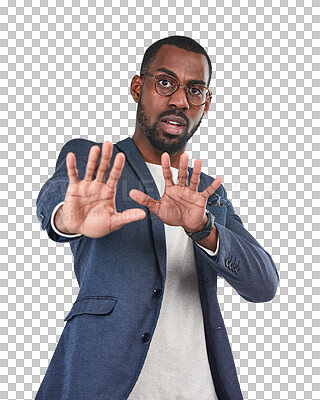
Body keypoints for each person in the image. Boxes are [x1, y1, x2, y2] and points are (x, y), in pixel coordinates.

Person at [35, 35, 279, 400]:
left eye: (195, 90)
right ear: (138, 87)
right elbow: (57, 199)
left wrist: (204, 228)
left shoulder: (208, 193)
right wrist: (67, 219)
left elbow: (263, 284)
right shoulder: (98, 161)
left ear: (206, 103)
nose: (180, 100)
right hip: (102, 382)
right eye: (165, 83)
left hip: (200, 388)